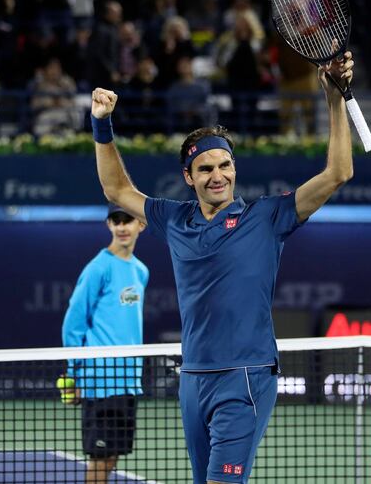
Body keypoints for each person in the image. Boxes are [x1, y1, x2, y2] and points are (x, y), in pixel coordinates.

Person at [90, 49, 355, 483]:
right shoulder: (174, 219)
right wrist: (102, 125)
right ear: (189, 177)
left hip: (245, 376)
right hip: (193, 377)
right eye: (206, 168)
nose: (219, 175)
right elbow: (117, 189)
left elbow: (338, 172)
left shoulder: (268, 217)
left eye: (226, 164)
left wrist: (334, 100)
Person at [61, 204, 148, 484]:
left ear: (141, 225)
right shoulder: (98, 268)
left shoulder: (141, 271)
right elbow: (73, 324)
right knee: (99, 460)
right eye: (116, 221)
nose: (122, 227)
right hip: (99, 379)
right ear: (109, 225)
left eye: (128, 220)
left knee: (112, 457)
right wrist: (74, 374)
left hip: (128, 381)